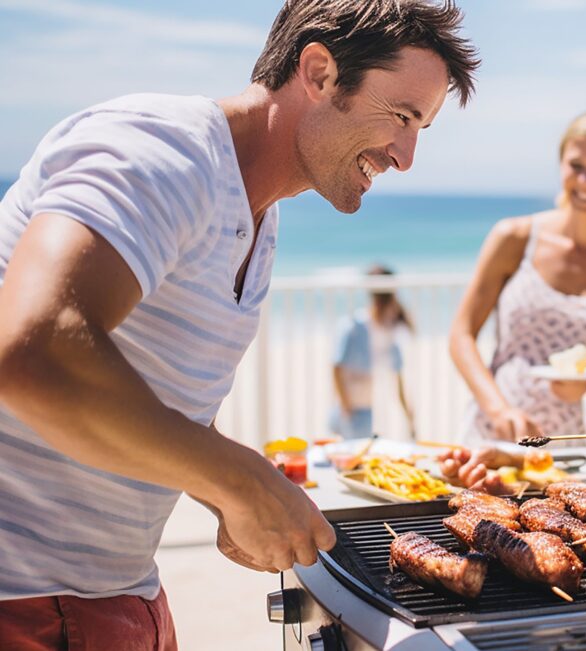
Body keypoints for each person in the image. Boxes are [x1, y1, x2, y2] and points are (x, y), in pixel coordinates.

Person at [0, 1, 478, 647]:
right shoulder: (163, 148)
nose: (406, 155)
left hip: (113, 588)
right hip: (27, 598)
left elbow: (159, 397)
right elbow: (34, 352)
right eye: (401, 117)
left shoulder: (257, 212)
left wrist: (224, 493)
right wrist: (237, 478)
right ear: (319, 71)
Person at [445, 110, 586, 487]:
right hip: (491, 443)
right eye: (576, 165)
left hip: (576, 459)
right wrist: (498, 408)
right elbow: (461, 335)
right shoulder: (513, 237)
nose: (585, 180)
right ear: (560, 165)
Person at [331, 264, 416, 440]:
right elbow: (337, 366)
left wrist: (409, 416)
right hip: (350, 409)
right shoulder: (355, 327)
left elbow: (397, 377)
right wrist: (345, 405)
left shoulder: (387, 331)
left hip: (366, 409)